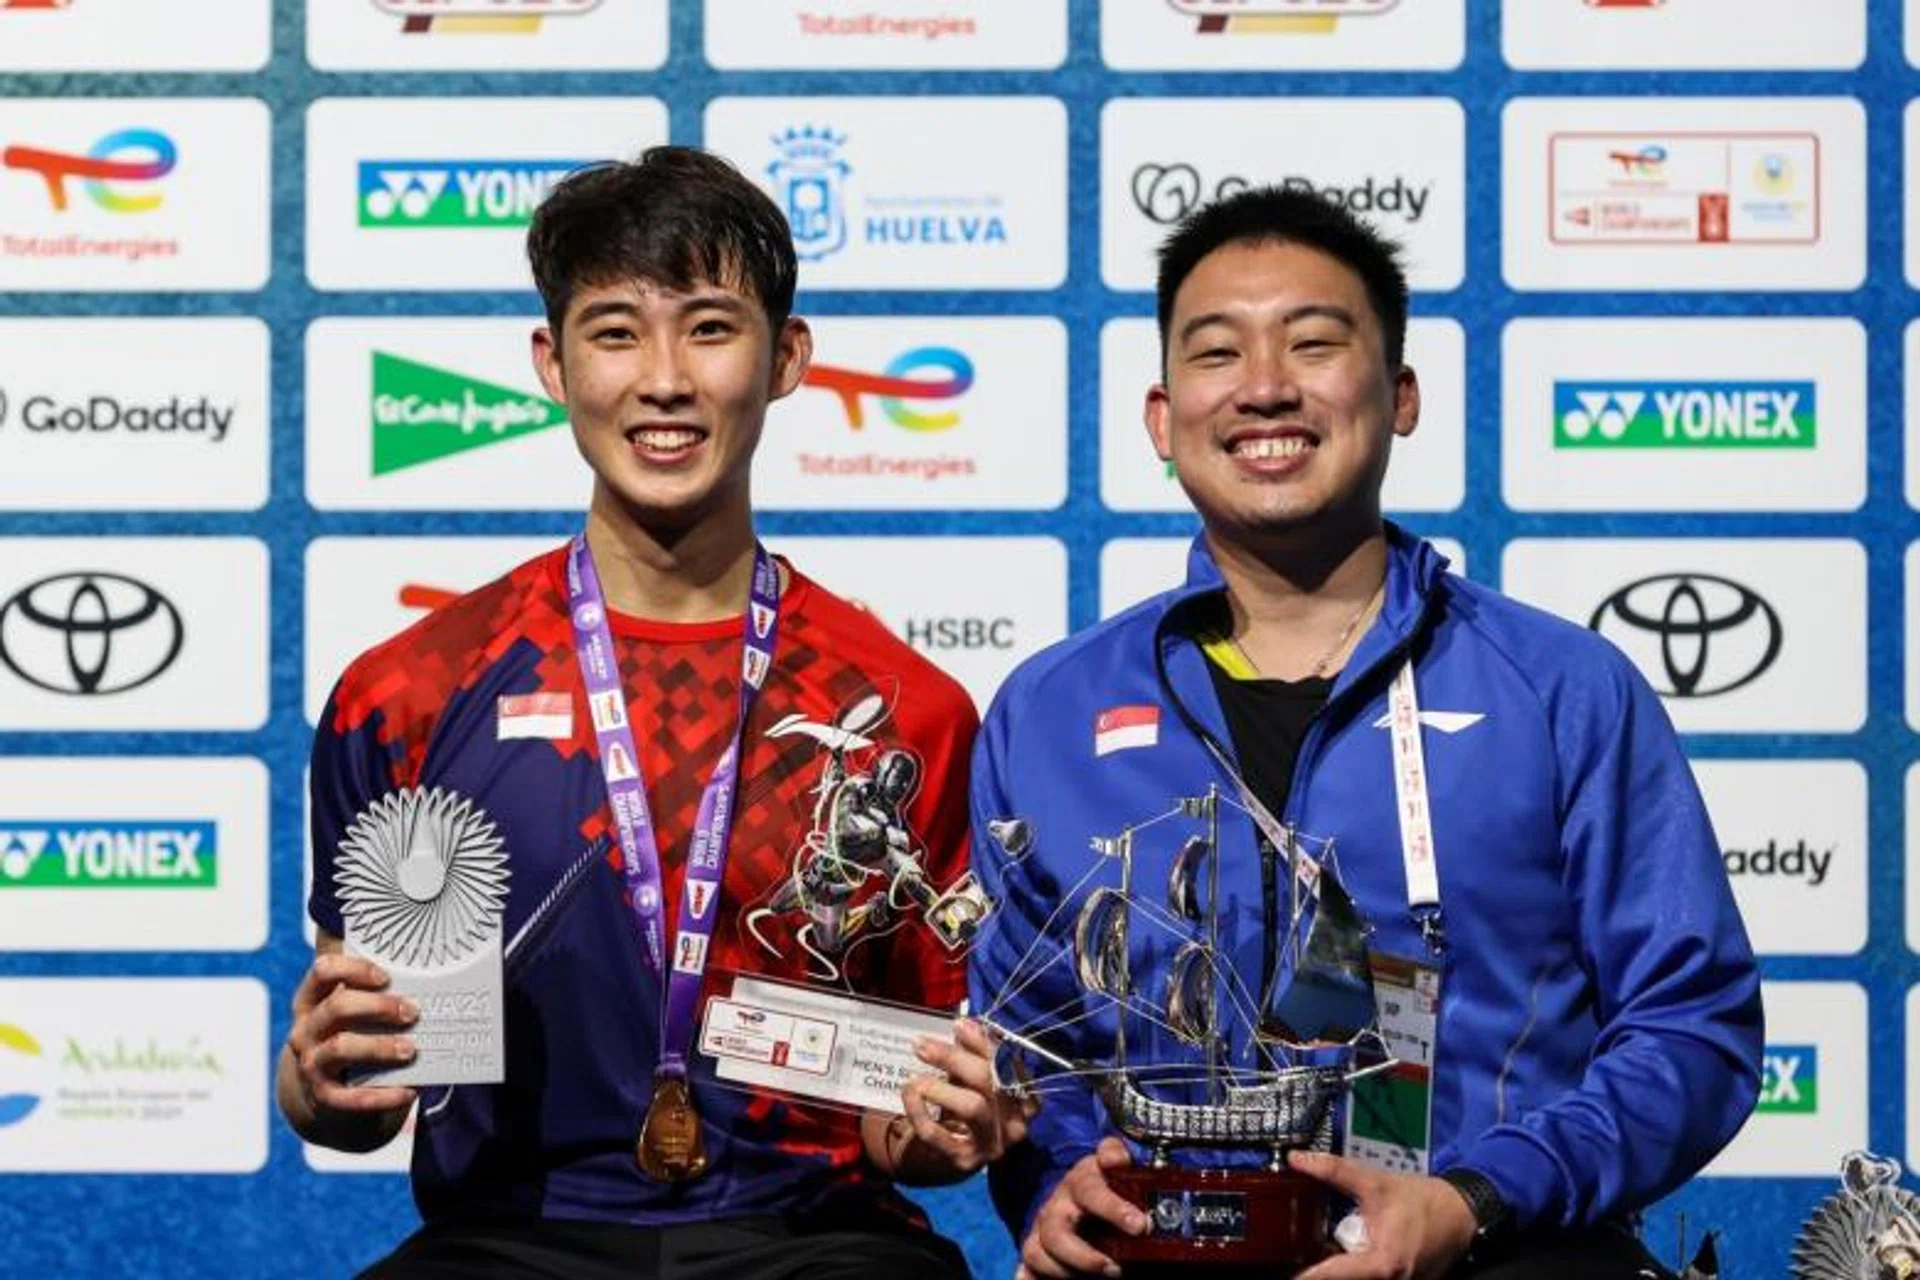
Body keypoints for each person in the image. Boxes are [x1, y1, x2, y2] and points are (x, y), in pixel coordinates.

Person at [967, 186, 1763, 1280]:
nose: (1264, 386)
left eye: (1313, 342)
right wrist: (1059, 1188)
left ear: (1400, 395)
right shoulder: (1049, 711)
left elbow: (1692, 1029)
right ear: (1162, 416)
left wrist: (1475, 1199)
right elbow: (1026, 1048)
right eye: (1218, 351)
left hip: (1496, 1255)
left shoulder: (1562, 689)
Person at [280, 146, 1025, 1280]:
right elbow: (362, 1094)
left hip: (810, 1242)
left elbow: (901, 1126)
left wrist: (945, 1125)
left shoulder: (901, 713)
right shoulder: (410, 694)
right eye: (616, 332)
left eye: (710, 329)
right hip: (510, 1239)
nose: (665, 379)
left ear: (787, 357)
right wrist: (319, 1083)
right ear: (553, 362)